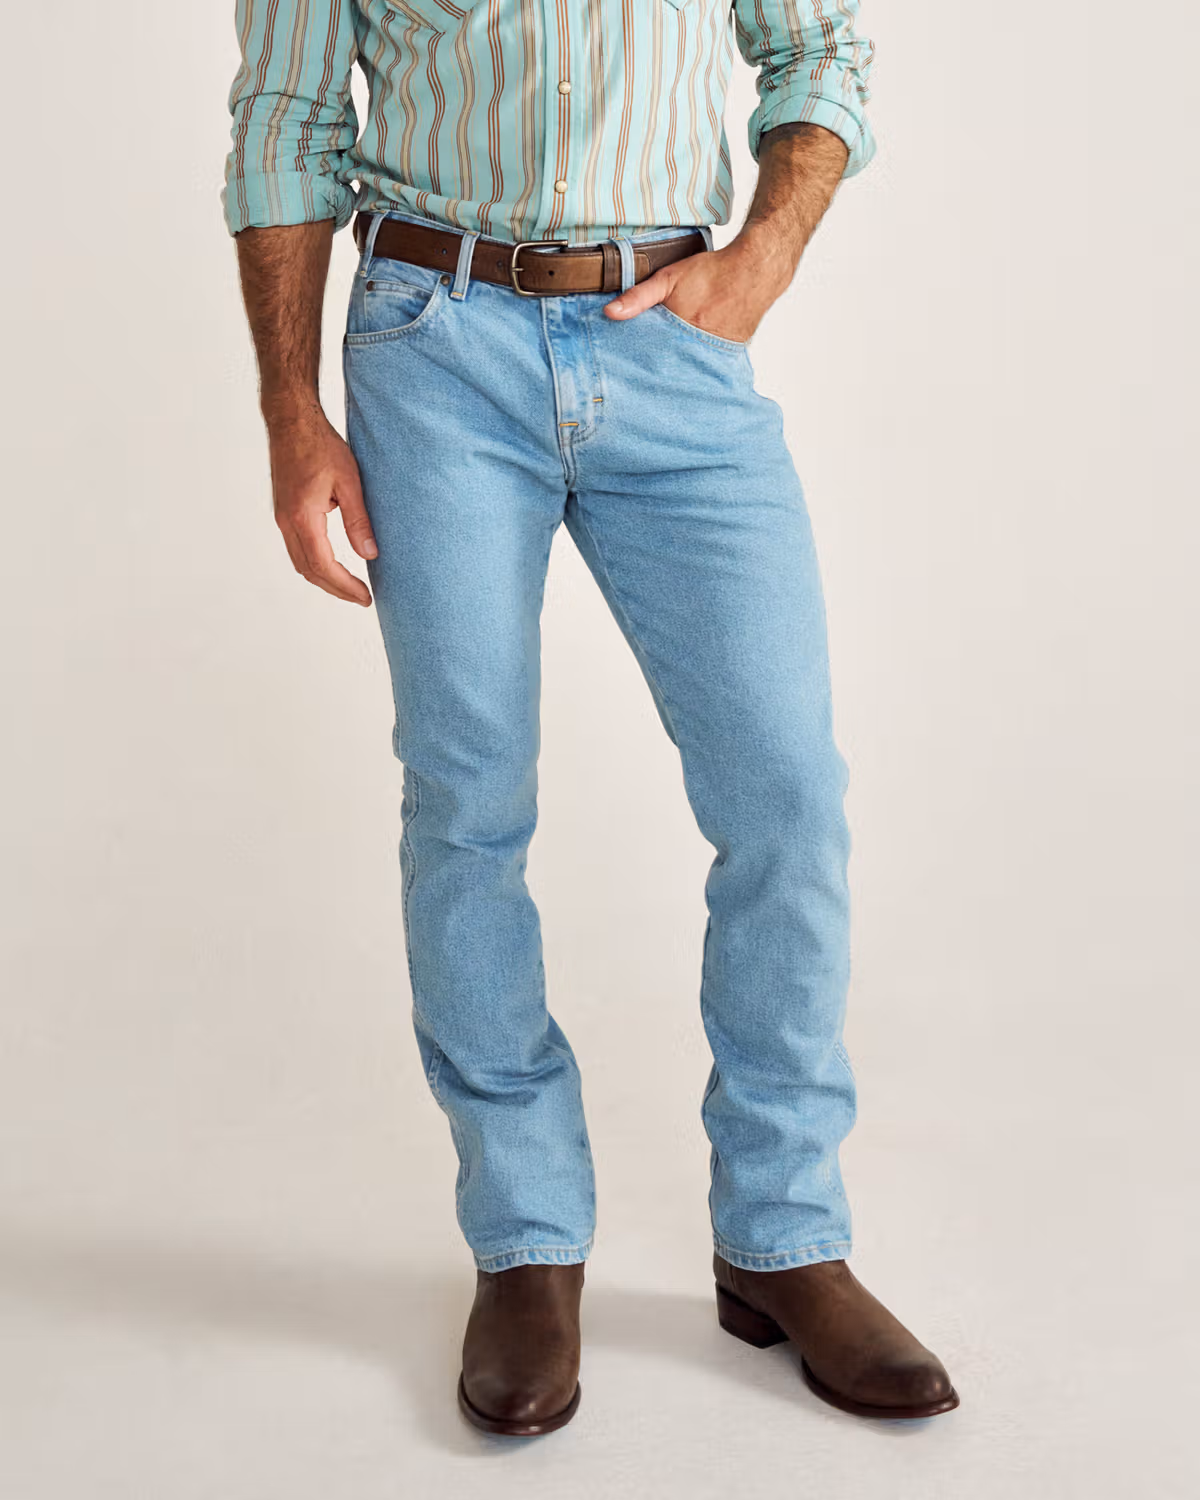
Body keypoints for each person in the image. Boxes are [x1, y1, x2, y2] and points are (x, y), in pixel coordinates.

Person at [223, 0, 958, 1437]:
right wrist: (291, 416)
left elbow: (818, 46)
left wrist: (767, 252)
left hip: (671, 341)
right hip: (435, 345)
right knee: (469, 800)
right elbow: (288, 119)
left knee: (786, 795)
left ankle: (784, 1234)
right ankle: (525, 1239)